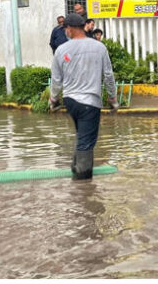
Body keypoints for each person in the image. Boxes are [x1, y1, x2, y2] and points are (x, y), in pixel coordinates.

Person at [50, 13, 118, 180]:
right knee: (86, 142)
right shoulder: (99, 47)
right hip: (90, 103)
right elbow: (108, 75)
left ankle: (75, 169)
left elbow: (56, 80)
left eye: (65, 28)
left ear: (70, 29)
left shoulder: (61, 50)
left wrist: (53, 99)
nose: (65, 32)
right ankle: (83, 185)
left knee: (82, 135)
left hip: (71, 102)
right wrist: (113, 99)